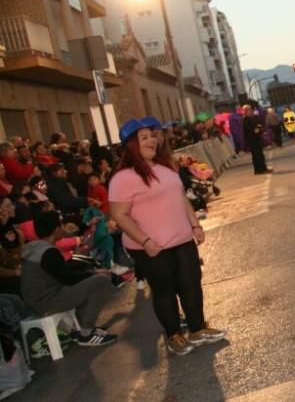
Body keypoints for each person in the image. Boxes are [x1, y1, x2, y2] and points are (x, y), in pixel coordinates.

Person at [109, 117, 226, 356]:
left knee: (191, 283)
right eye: (144, 137)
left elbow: (181, 198)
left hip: (182, 238)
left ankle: (197, 328)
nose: (152, 140)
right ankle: (174, 335)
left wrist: (195, 226)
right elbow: (120, 216)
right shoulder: (122, 179)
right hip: (152, 247)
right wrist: (145, 241)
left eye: (152, 135)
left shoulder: (166, 167)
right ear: (131, 144)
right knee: (164, 290)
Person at [19, 210, 118, 347]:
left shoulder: (33, 247)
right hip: (47, 302)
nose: (64, 228)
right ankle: (86, 333)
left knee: (89, 280)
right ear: (56, 229)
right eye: (61, 225)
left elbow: (60, 271)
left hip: (38, 299)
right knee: (100, 281)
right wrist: (94, 273)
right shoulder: (48, 252)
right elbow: (69, 279)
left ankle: (83, 328)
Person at [241, 105, 270, 175]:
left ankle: (261, 169)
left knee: (258, 154)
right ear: (246, 111)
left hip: (255, 139)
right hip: (253, 140)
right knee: (257, 155)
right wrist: (257, 129)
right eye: (250, 110)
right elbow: (251, 129)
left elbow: (256, 127)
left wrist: (259, 128)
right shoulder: (246, 120)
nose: (251, 111)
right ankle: (260, 169)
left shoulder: (250, 119)